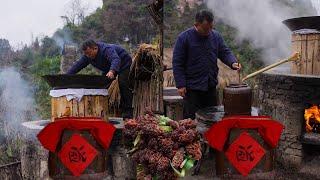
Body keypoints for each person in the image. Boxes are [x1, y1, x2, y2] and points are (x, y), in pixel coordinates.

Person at [173, 10, 241, 119]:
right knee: (191, 120)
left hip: (210, 87)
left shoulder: (216, 36)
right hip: (192, 89)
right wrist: (181, 85)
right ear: (196, 24)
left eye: (211, 27)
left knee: (212, 119)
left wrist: (232, 62)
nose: (208, 31)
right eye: (205, 28)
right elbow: (177, 63)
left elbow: (224, 52)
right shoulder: (184, 38)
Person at [67, 39, 133, 118]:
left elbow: (115, 59)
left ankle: (128, 112)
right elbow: (77, 66)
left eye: (89, 53)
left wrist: (112, 71)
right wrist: (66, 76)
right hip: (108, 68)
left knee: (123, 83)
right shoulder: (88, 56)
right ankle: (101, 109)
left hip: (123, 64)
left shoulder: (106, 49)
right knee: (102, 85)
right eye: (86, 54)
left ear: (95, 48)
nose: (88, 56)